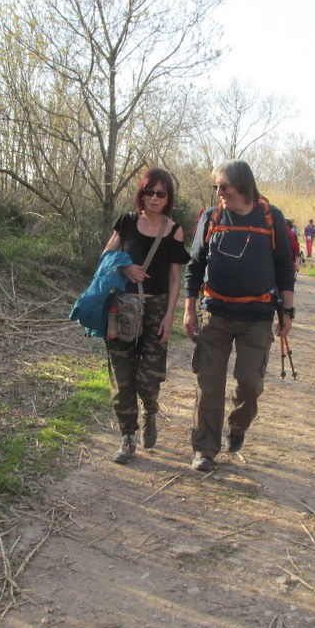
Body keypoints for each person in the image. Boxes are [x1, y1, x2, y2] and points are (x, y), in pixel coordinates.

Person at [183, 160, 296, 472]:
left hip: (257, 318)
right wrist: (189, 308)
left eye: (224, 187)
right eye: (216, 187)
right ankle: (205, 449)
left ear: (244, 186)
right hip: (215, 315)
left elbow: (285, 267)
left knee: (249, 385)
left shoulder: (272, 218)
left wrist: (287, 311)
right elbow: (194, 266)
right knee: (209, 385)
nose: (219, 192)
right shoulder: (211, 217)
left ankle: (237, 427)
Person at [102, 168, 190, 464]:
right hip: (123, 307)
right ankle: (128, 437)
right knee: (122, 376)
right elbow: (106, 254)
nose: (154, 197)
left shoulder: (174, 230)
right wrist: (125, 267)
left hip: (156, 310)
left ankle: (150, 409)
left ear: (168, 198)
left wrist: (169, 316)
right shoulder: (127, 222)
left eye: (160, 193)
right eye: (149, 192)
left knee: (148, 379)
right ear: (141, 193)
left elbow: (176, 278)